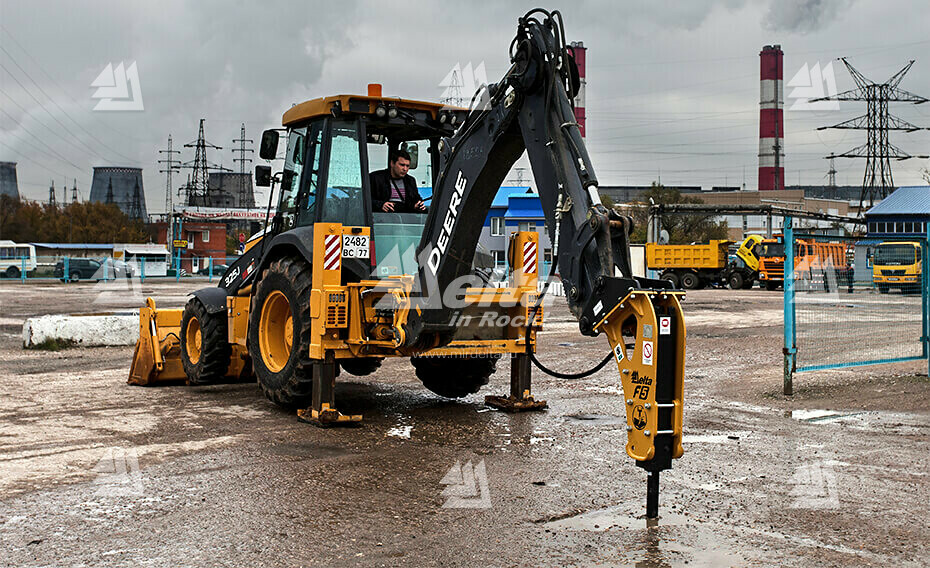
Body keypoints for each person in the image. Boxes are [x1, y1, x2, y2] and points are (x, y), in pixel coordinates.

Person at [370, 149, 427, 213]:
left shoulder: (410, 181)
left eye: (407, 166)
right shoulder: (376, 178)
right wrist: (381, 205)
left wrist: (418, 205)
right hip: (382, 218)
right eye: (402, 165)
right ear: (392, 163)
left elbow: (416, 199)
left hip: (406, 218)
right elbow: (363, 200)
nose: (405, 169)